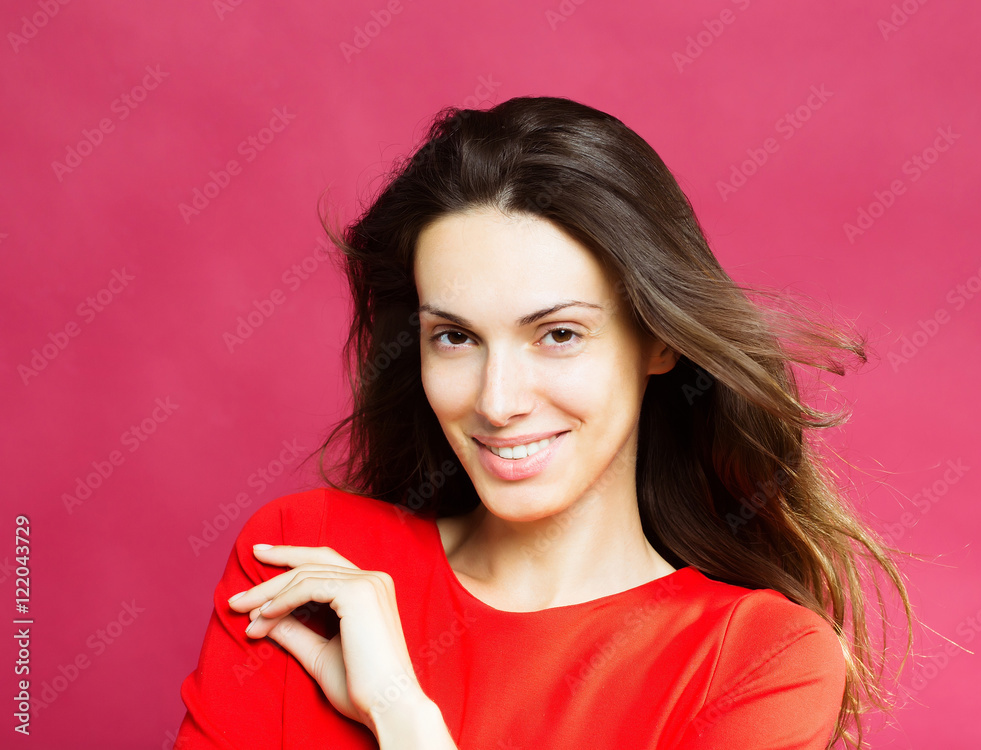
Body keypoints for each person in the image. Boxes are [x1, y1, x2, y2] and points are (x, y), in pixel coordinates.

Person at [175, 96, 912, 749]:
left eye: (558, 334)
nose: (497, 401)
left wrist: (403, 717)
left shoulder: (756, 660)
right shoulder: (308, 568)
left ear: (658, 340)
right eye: (455, 337)